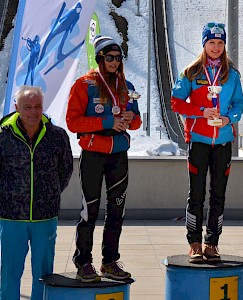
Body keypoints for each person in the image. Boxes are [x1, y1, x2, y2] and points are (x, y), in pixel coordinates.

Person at [66, 35, 142, 282]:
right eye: (109, 57)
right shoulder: (83, 84)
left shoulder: (126, 85)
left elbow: (137, 121)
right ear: (100, 58)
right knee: (90, 210)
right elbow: (72, 121)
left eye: (118, 58)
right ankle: (83, 262)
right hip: (93, 154)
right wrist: (107, 122)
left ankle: (109, 262)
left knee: (117, 210)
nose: (114, 62)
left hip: (119, 154)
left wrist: (132, 118)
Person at [171, 22, 243, 263]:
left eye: (220, 43)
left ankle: (212, 242)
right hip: (199, 141)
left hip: (223, 142)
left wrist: (228, 118)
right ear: (204, 44)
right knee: (197, 194)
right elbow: (176, 102)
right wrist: (200, 112)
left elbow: (239, 104)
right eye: (211, 42)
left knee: (219, 194)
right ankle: (194, 243)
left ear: (224, 45)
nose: (216, 47)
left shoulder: (232, 74)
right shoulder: (191, 72)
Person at [0, 85, 73, 300]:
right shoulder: (3, 137)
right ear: (16, 107)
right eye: (27, 107)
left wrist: (49, 194)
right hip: (11, 217)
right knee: (10, 272)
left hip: (45, 216)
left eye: (38, 106)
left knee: (43, 274)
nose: (33, 112)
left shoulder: (57, 136)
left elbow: (65, 170)